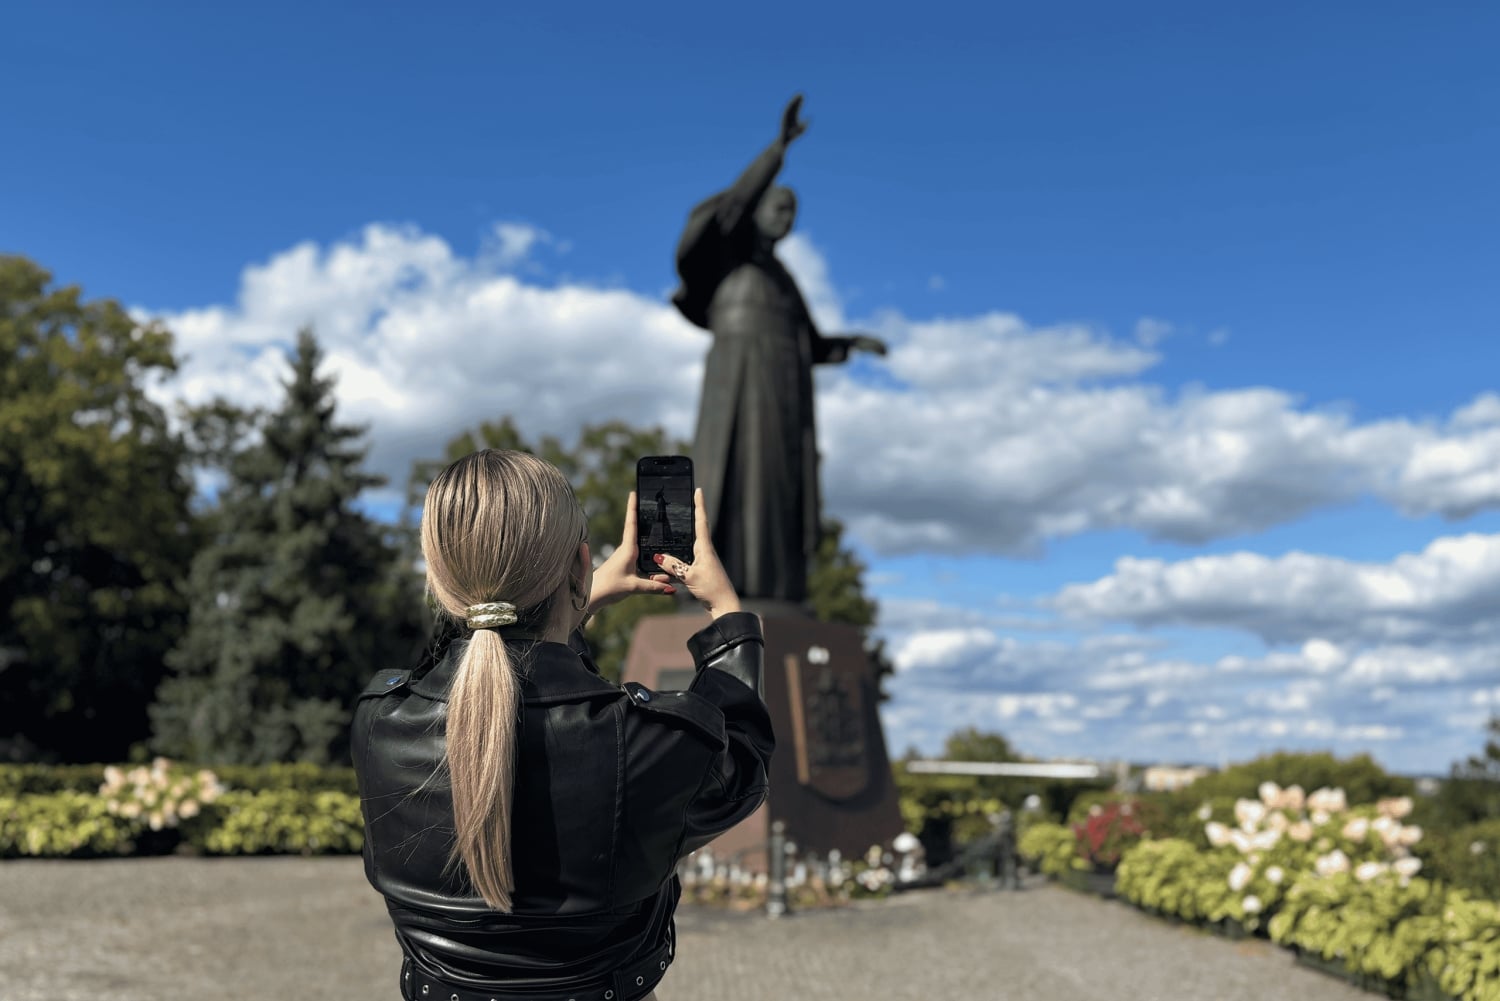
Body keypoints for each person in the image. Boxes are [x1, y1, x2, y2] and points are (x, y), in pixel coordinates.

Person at [351, 449, 773, 1001]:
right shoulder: (653, 741)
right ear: (580, 563)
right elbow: (743, 765)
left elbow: (490, 671)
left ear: (437, 575)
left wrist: (576, 597)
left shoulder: (380, 722)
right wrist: (727, 614)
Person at [671, 95, 886, 604]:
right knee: (727, 476)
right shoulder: (728, 256)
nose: (788, 217)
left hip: (785, 394)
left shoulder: (784, 281)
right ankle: (709, 584)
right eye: (780, 205)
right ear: (759, 208)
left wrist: (849, 343)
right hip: (737, 380)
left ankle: (772, 588)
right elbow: (731, 206)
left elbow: (810, 341)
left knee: (773, 487)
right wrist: (777, 152)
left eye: (794, 211)